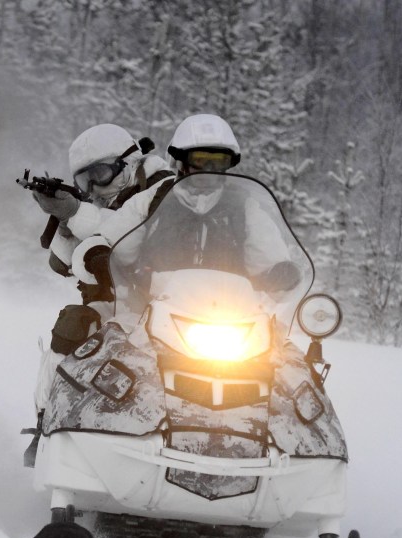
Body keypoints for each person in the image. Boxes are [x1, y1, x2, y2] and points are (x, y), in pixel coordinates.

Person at [25, 124, 173, 466]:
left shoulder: (163, 189)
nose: (93, 187)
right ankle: (48, 424)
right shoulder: (95, 203)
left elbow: (133, 235)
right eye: (84, 181)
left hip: (163, 300)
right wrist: (64, 216)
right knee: (72, 327)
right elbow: (60, 263)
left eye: (101, 174)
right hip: (110, 300)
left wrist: (76, 212)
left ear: (129, 161)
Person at [68, 114, 300, 312]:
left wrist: (280, 273)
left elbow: (270, 261)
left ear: (229, 164)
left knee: (290, 362)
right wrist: (99, 252)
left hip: (232, 322)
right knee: (96, 349)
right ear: (180, 162)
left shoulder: (244, 207)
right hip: (150, 314)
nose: (209, 171)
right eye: (201, 161)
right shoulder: (153, 201)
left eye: (218, 162)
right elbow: (112, 237)